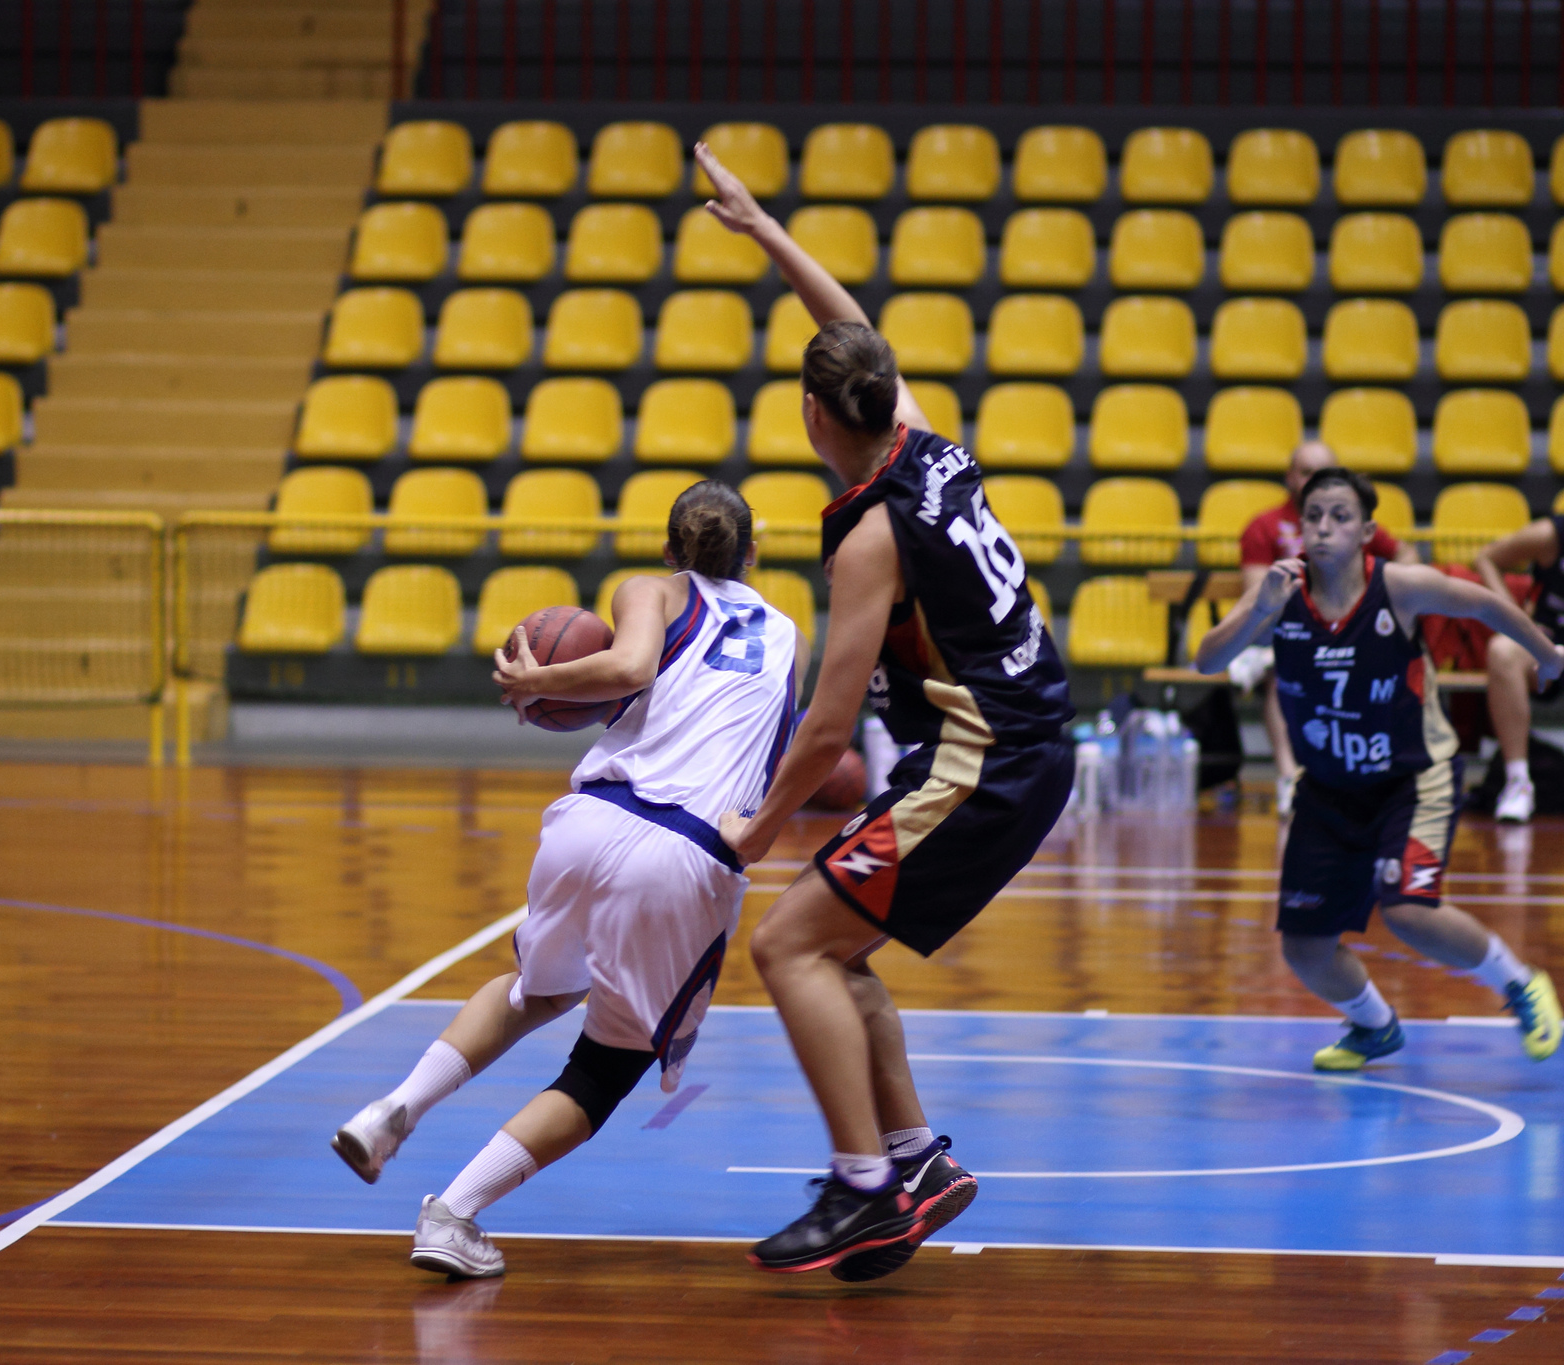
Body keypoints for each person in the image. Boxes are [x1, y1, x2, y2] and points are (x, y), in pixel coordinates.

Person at [699, 145, 1076, 1282]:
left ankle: (862, 1190)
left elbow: (823, 733)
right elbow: (855, 328)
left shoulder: (868, 536)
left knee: (784, 943)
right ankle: (909, 1160)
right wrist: (765, 232)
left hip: (984, 761)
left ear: (813, 417)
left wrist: (750, 837)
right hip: (1006, 745)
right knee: (835, 950)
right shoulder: (929, 446)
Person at [331, 481, 804, 1279]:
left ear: (669, 551)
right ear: (753, 554)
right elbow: (637, 668)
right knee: (603, 1067)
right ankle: (453, 1213)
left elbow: (628, 663)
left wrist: (534, 683)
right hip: (685, 851)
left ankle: (394, 1109)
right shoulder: (790, 631)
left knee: (533, 990)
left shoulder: (648, 585)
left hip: (588, 819)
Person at [1196, 467, 1564, 1070]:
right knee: (1305, 948)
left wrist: (1547, 655)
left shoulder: (1401, 587)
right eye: (1313, 516)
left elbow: (1486, 606)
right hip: (1329, 788)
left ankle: (1521, 984)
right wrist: (1254, 608)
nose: (1323, 528)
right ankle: (1374, 1026)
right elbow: (1209, 660)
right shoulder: (1281, 594)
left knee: (1410, 908)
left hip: (1412, 777)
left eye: (1339, 516)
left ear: (1366, 531)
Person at [1237, 441, 1416, 817]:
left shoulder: (1349, 521)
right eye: (1305, 472)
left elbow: (1405, 555)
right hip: (1282, 627)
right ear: (1289, 477)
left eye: (1321, 472)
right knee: (1281, 668)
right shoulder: (1263, 525)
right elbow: (1256, 595)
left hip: (1346, 628)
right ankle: (1290, 778)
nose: (1323, 526)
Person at [1473, 512, 1564, 822]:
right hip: (1546, 645)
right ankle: (1518, 782)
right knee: (1503, 650)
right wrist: (1518, 622)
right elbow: (1486, 558)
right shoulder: (1550, 535)